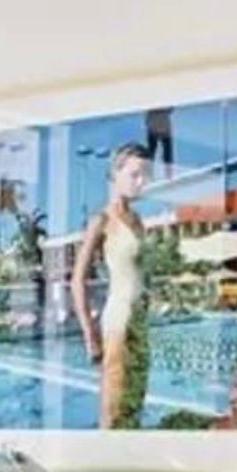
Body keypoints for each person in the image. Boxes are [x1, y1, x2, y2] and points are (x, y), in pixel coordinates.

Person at [71, 142, 154, 428]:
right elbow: (77, 280)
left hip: (140, 323)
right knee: (113, 410)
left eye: (146, 175)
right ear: (116, 174)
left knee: (135, 407)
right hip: (117, 322)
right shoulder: (102, 220)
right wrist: (89, 333)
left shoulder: (139, 221)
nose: (142, 181)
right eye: (135, 174)